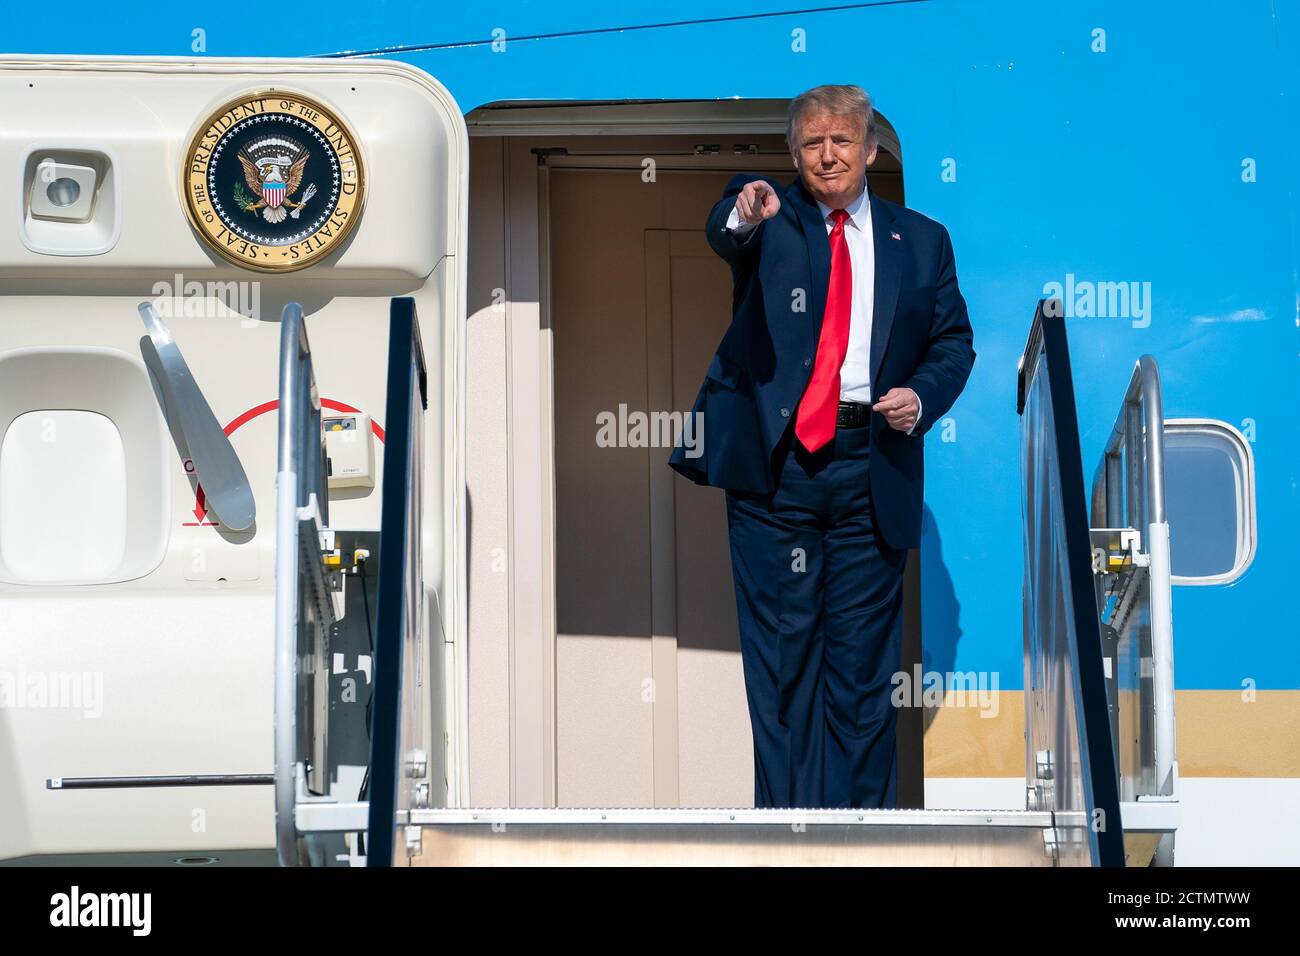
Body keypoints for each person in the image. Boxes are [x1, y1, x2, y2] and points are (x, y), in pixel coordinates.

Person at [669, 84, 975, 809]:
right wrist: (746, 210)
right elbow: (726, 228)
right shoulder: (769, 215)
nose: (828, 155)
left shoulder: (922, 239)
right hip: (779, 474)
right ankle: (788, 831)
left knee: (863, 669)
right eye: (812, 143)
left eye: (842, 141)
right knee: (781, 662)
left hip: (872, 462)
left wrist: (922, 396)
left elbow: (953, 342)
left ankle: (864, 835)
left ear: (871, 150)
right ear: (793, 154)